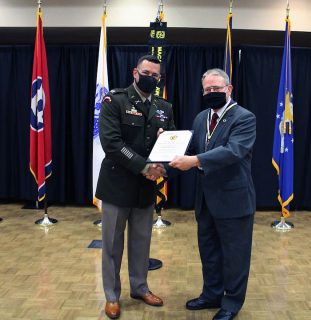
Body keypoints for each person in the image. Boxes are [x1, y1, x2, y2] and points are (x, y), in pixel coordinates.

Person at [170, 68, 256, 320]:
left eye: (216, 89)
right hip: (205, 200)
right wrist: (167, 149)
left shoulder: (244, 117)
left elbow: (233, 151)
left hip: (234, 200)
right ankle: (211, 294)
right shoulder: (200, 118)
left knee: (234, 255)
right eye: (207, 90)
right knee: (209, 251)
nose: (212, 93)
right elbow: (190, 148)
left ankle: (231, 303)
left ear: (229, 89)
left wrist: (194, 160)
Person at [96, 55, 175, 319]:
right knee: (112, 245)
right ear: (135, 72)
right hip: (117, 185)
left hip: (146, 187)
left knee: (142, 243)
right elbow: (112, 143)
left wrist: (163, 166)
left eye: (156, 75)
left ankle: (140, 288)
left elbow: (172, 140)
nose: (151, 77)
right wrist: (145, 166)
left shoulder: (164, 106)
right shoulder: (114, 101)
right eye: (146, 72)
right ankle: (111, 295)